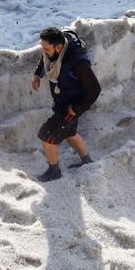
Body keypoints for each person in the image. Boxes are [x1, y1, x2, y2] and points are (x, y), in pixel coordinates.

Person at [31, 27, 101, 182]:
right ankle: (87, 161)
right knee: (69, 133)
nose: (44, 51)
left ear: (59, 47)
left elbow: (95, 89)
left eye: (46, 48)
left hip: (71, 106)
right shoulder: (54, 51)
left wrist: (76, 109)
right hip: (62, 101)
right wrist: (37, 73)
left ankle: (54, 172)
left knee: (46, 135)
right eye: (42, 47)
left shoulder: (78, 64)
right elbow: (45, 59)